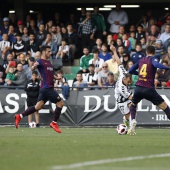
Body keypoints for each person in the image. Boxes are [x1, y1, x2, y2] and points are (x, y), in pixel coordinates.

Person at [14, 45, 64, 133]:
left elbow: (50, 74)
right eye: (48, 51)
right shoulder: (40, 61)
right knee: (60, 103)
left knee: (37, 107)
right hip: (47, 88)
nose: (50, 53)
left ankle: (20, 116)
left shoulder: (49, 63)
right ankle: (54, 122)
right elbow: (33, 67)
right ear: (44, 52)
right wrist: (33, 66)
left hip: (45, 88)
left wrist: (56, 78)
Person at [128, 45, 170, 135]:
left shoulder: (140, 60)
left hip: (138, 88)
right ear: (154, 53)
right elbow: (156, 65)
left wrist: (139, 74)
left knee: (133, 104)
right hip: (148, 89)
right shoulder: (153, 59)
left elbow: (130, 70)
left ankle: (133, 120)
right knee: (164, 106)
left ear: (146, 52)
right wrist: (168, 67)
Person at [110, 45, 133, 128]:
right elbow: (130, 97)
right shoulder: (122, 88)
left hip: (127, 97)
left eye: (131, 81)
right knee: (127, 115)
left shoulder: (123, 72)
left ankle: (131, 126)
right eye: (128, 81)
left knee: (133, 107)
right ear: (125, 79)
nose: (130, 83)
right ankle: (126, 120)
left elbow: (119, 62)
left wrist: (114, 51)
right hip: (121, 100)